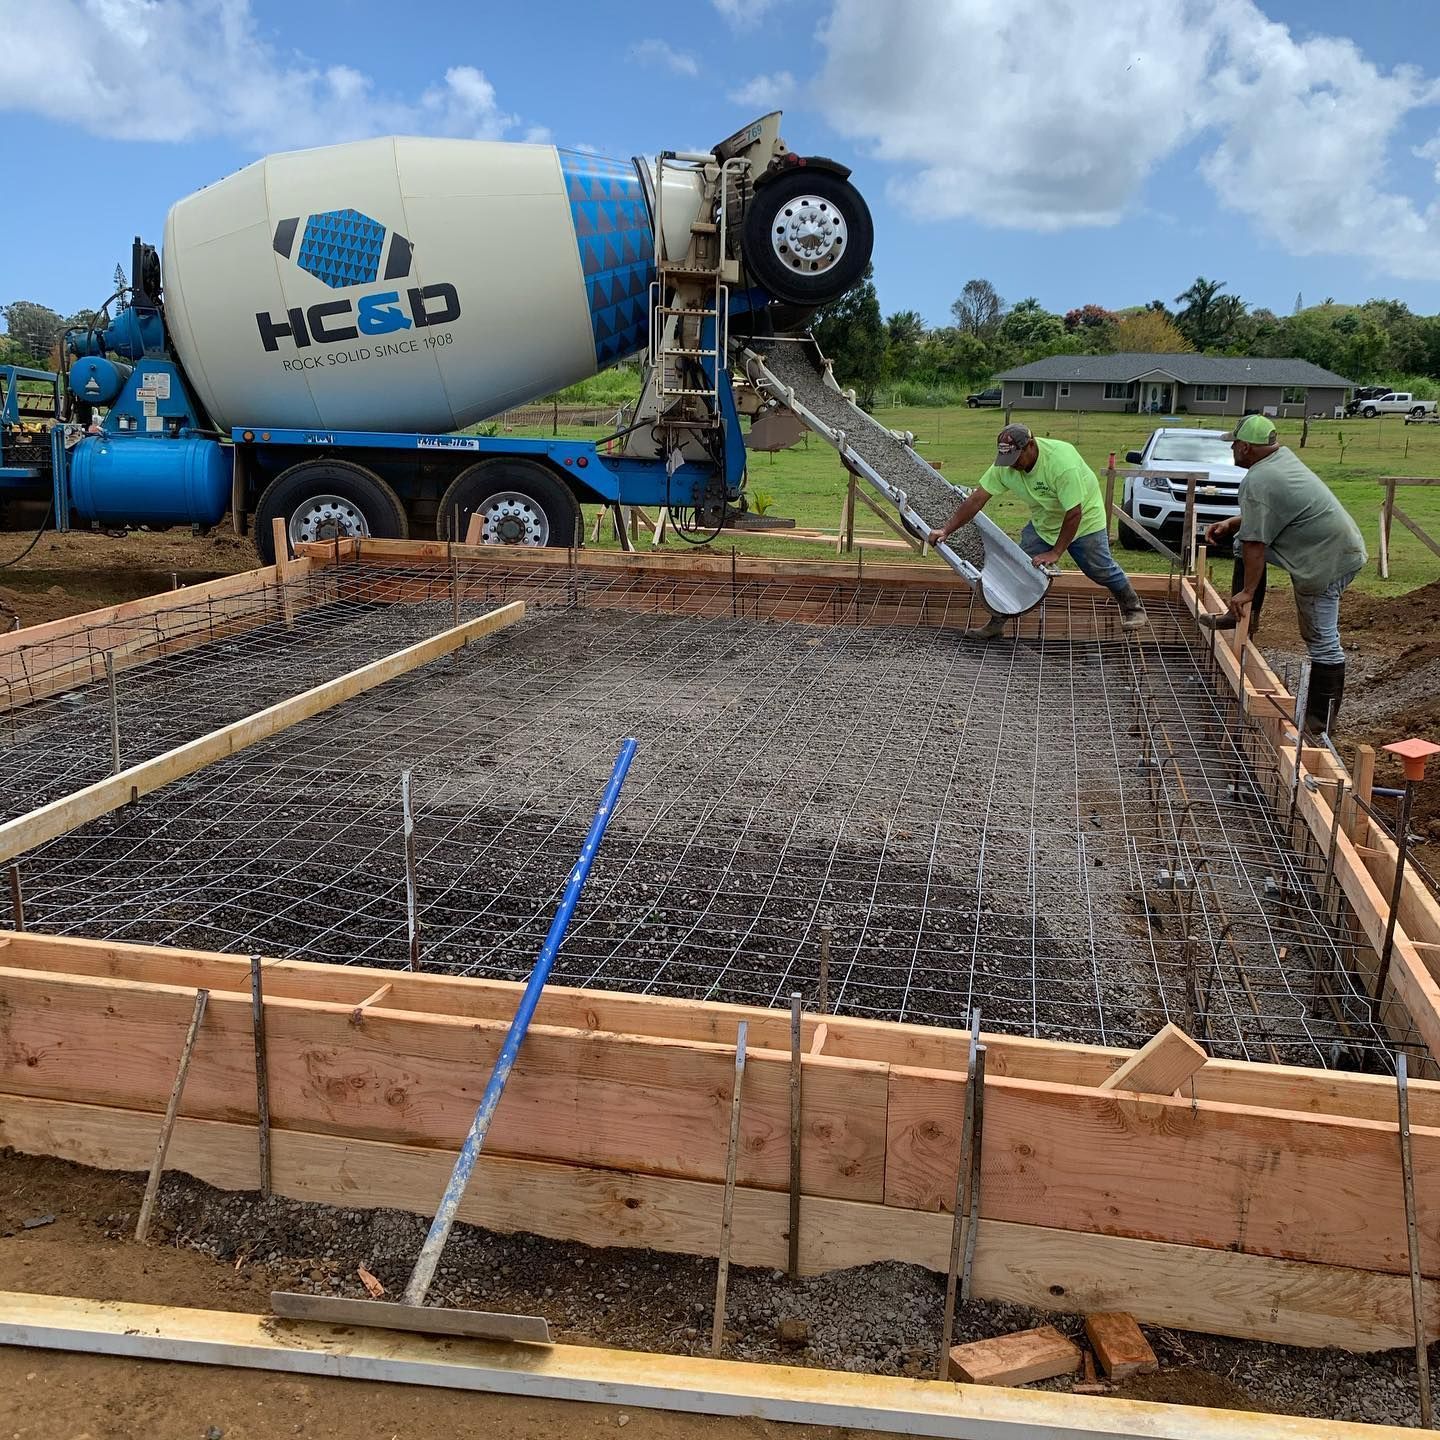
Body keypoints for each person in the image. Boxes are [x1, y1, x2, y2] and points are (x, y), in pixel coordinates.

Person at [1203, 414, 1366, 736]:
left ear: (1245, 447)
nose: (1231, 449)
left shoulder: (1258, 479)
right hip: (1329, 548)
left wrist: (1247, 590)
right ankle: (1243, 618)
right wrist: (1233, 523)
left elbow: (1255, 544)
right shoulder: (1280, 460)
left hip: (1326, 561)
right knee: (1238, 540)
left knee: (1322, 641)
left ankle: (1318, 725)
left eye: (1234, 444)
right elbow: (1273, 513)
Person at [927, 422, 1147, 637]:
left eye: (1016, 458)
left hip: (1085, 521)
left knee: (1099, 569)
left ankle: (1134, 609)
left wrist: (1056, 552)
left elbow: (1074, 513)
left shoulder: (1061, 463)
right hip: (1045, 521)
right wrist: (946, 530)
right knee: (1017, 568)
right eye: (1007, 460)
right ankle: (997, 623)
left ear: (1030, 445)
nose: (1012, 465)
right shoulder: (1006, 466)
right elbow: (976, 499)